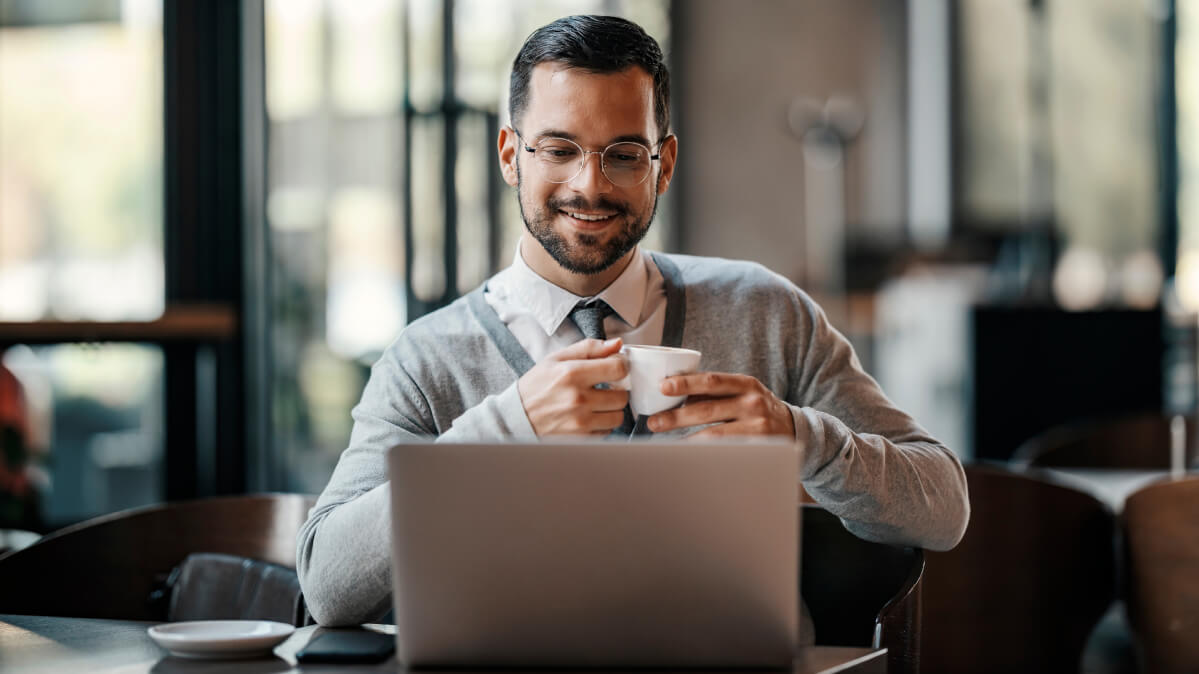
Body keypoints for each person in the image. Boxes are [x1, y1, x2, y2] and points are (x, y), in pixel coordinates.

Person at [297, 14, 969, 627]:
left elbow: (943, 509)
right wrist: (505, 429)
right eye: (557, 150)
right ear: (509, 156)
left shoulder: (766, 312)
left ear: (664, 164)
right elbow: (326, 586)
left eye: (623, 154)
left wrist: (803, 436)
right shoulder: (428, 359)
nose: (590, 185)